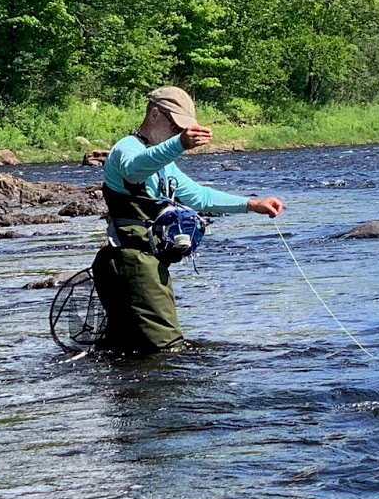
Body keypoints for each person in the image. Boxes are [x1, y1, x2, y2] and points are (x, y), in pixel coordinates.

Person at [91, 86, 284, 354]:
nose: (177, 134)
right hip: (130, 264)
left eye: (181, 130)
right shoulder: (127, 148)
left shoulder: (164, 163)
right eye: (175, 127)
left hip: (142, 264)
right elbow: (135, 169)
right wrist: (179, 144)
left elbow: (199, 196)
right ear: (155, 114)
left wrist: (252, 205)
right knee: (167, 351)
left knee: (127, 352)